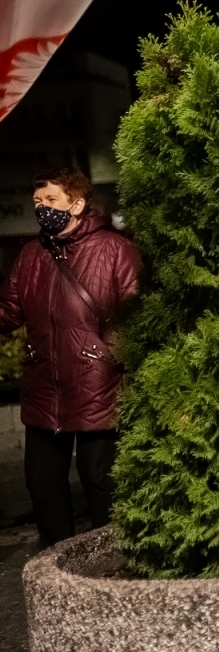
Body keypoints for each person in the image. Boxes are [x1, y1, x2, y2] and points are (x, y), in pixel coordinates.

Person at [0, 167, 140, 547]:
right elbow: (9, 311)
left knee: (99, 480)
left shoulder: (114, 249)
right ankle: (58, 564)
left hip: (98, 384)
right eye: (37, 202)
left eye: (50, 200)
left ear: (76, 204)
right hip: (44, 384)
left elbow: (135, 312)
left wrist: (106, 354)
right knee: (43, 483)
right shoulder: (31, 255)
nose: (42, 208)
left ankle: (107, 562)